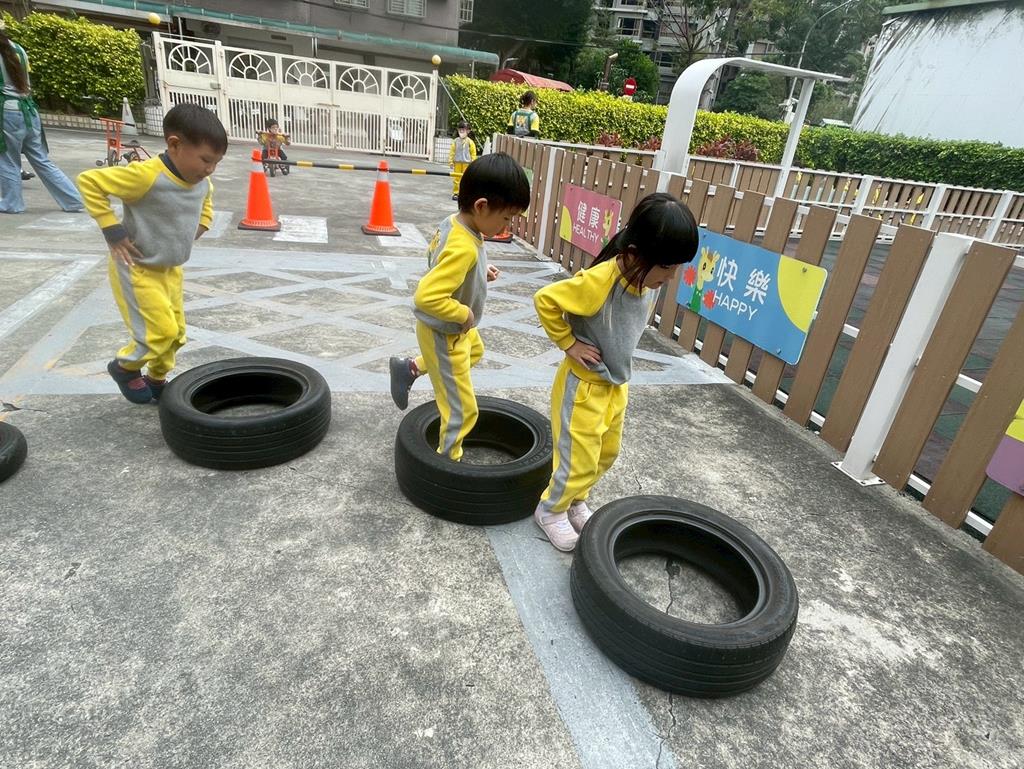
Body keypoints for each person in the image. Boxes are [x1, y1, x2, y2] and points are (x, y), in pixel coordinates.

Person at [531, 193, 699, 551]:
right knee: (577, 458)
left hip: (615, 385)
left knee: (606, 453)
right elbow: (546, 300)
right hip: (583, 388)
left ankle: (575, 501)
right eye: (666, 267)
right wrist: (569, 343)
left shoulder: (644, 279)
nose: (671, 276)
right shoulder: (600, 281)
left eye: (676, 267)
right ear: (635, 254)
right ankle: (550, 510)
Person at [76, 103, 227, 404]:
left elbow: (205, 200)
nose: (210, 169)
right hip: (138, 267)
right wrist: (112, 229)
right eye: (205, 160)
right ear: (175, 144)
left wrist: (201, 224)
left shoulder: (201, 182)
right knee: (158, 332)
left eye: (216, 162)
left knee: (177, 334)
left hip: (171, 269)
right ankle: (124, 367)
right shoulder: (145, 176)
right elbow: (89, 182)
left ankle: (156, 378)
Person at [388, 152, 531, 461]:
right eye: (507, 218)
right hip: (445, 332)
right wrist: (463, 312)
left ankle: (410, 368)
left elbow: (442, 260)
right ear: (481, 206)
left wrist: (478, 272)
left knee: (475, 351)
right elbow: (426, 297)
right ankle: (447, 463)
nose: (507, 226)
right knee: (462, 410)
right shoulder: (464, 247)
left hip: (452, 332)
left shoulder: (456, 224)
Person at [0, 19, 83, 214]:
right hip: (29, 111)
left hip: (8, 112)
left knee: (8, 160)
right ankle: (73, 200)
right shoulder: (19, 50)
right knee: (41, 160)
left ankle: (12, 203)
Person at [448, 120, 476, 201]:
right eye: (460, 130)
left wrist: (473, 162)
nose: (461, 131)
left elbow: (473, 153)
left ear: (468, 131)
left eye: (463, 130)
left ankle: (465, 193)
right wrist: (450, 161)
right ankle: (456, 193)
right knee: (456, 178)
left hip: (467, 163)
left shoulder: (470, 142)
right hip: (457, 163)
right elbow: (452, 152)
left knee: (466, 178)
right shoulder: (455, 141)